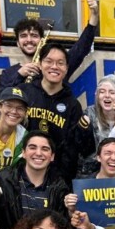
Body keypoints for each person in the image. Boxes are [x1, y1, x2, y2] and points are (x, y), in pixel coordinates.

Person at [0, 0, 100, 94]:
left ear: (42, 41)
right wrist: (20, 75)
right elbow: (1, 101)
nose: (29, 40)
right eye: (23, 36)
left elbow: (81, 48)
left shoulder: (55, 67)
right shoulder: (8, 74)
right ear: (17, 43)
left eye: (34, 35)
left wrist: (94, 15)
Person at [18, 43, 91, 183]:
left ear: (66, 68)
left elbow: (74, 149)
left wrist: (61, 181)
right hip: (22, 173)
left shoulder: (73, 105)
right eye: (49, 61)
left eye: (60, 63)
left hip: (55, 179)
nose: (54, 67)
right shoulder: (24, 92)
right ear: (40, 64)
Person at [0, 130, 69, 229]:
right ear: (23, 153)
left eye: (45, 149)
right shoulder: (3, 180)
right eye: (32, 147)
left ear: (52, 156)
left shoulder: (60, 188)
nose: (38, 153)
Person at [78, 75, 115, 175]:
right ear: (97, 95)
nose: (107, 95)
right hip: (93, 176)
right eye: (102, 92)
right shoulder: (89, 115)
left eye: (112, 92)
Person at [64, 137, 115, 216]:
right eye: (108, 153)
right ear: (98, 157)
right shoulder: (83, 186)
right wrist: (72, 209)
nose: (113, 158)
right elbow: (75, 219)